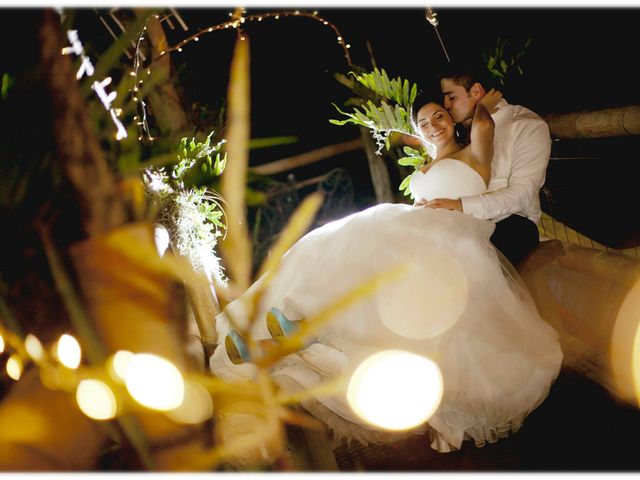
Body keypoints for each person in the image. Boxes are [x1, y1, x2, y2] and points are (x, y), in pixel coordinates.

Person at [209, 95, 562, 454]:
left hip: (458, 233)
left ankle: (303, 335)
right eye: (423, 123)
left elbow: (484, 122)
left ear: (455, 119)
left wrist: (480, 99)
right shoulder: (428, 163)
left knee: (375, 253)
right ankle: (291, 331)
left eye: (439, 115)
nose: (433, 125)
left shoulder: (474, 149)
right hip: (423, 229)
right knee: (343, 243)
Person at [429, 63, 552, 268]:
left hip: (511, 223)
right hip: (465, 222)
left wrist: (461, 206)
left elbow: (521, 194)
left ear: (476, 91)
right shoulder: (458, 132)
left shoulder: (526, 126)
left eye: (451, 97)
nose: (446, 105)